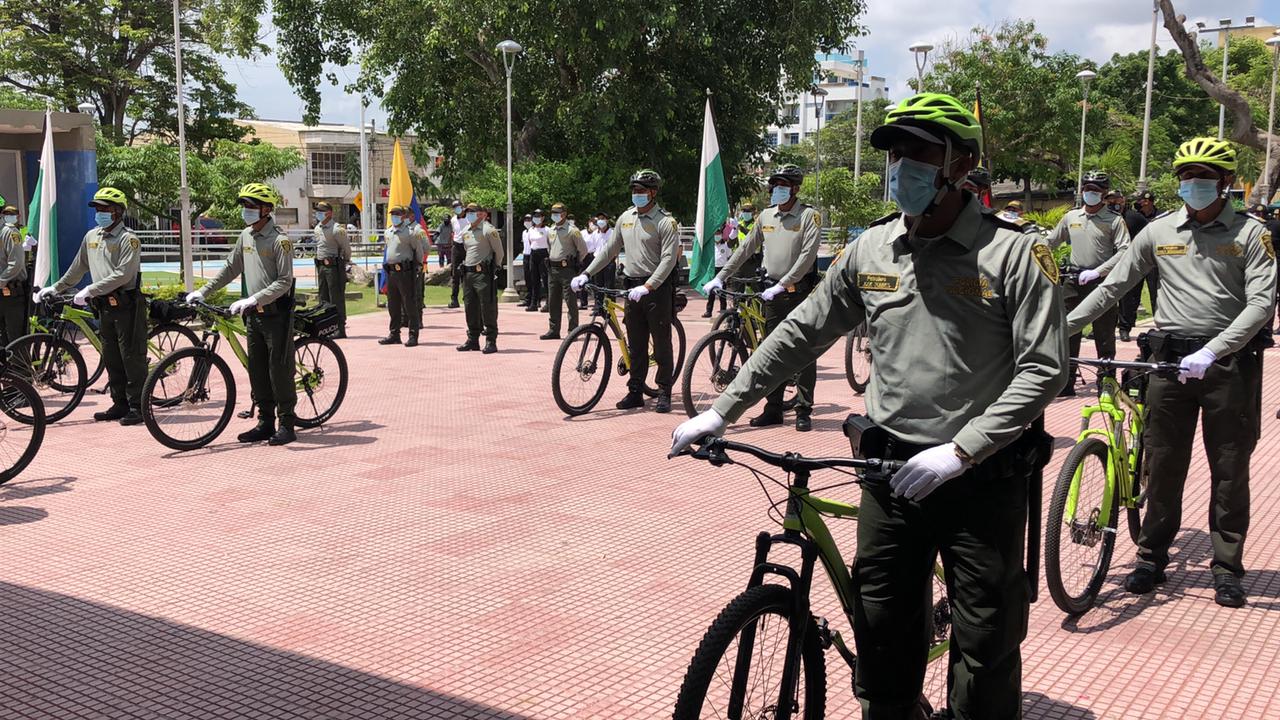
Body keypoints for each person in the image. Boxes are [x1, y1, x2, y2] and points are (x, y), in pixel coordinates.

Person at [674, 93, 1065, 720]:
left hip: (981, 480)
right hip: (888, 478)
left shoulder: (1014, 251)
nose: (900, 166)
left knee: (986, 644)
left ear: (961, 165)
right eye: (894, 154)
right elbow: (804, 330)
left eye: (918, 153)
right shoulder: (872, 250)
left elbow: (1043, 369)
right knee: (880, 630)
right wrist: (725, 408)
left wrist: (962, 450)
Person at [1065, 137, 1275, 608]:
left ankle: (1226, 566)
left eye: (1202, 177)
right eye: (1185, 177)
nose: (1192, 185)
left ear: (1224, 182)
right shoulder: (1158, 231)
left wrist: (1215, 350)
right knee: (1162, 463)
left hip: (1229, 366)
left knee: (1229, 468)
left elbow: (1262, 304)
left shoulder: (1249, 234)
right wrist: (1063, 329)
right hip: (1167, 363)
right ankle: (1151, 556)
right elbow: (1114, 286)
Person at [701, 164, 821, 431]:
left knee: (801, 351)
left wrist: (785, 283)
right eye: (774, 185)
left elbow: (807, 256)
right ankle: (774, 408)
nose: (777, 190)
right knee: (771, 351)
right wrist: (721, 276)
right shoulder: (766, 216)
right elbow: (745, 249)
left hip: (799, 293)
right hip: (771, 293)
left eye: (783, 185)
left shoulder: (808, 216)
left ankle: (803, 409)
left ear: (795, 189)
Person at [185, 183, 298, 445]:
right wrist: (203, 291)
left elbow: (284, 281)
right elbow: (230, 268)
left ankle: (288, 424)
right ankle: (265, 423)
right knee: (257, 370)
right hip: (254, 316)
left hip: (276, 315)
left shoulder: (279, 241)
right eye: (245, 206)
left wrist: (255, 297)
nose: (246, 211)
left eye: (252, 206)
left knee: (278, 371)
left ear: (267, 209)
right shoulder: (246, 236)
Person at [36, 188, 148, 425]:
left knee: (131, 356)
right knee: (111, 356)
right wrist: (55, 287)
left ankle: (138, 405)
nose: (100, 213)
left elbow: (122, 274)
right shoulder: (91, 237)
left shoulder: (129, 239)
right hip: (104, 306)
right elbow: (78, 268)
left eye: (105, 209)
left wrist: (90, 290)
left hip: (127, 305)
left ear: (118, 212)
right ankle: (120, 403)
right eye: (98, 209)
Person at [572, 169, 680, 413]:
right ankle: (635, 391)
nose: (636, 194)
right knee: (636, 342)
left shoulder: (665, 221)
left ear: (653, 193)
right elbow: (609, 250)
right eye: (634, 190)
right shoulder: (625, 218)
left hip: (656, 288)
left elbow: (668, 260)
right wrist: (586, 273)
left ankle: (664, 391)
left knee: (661, 342)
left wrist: (649, 285)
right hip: (631, 286)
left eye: (641, 190)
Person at [1046, 170, 1130, 395]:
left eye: (1095, 190)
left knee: (1103, 334)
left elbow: (1125, 250)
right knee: (1068, 331)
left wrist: (1099, 271)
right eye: (1087, 189)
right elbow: (1051, 242)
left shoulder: (1114, 220)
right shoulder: (1071, 217)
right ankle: (1067, 382)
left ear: (1104, 194)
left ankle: (1106, 381)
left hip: (1100, 283)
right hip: (1073, 281)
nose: (1090, 193)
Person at [457, 204, 504, 354]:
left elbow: (499, 252)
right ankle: (473, 339)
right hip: (468, 274)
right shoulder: (466, 231)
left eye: (472, 212)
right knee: (470, 307)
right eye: (467, 212)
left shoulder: (488, 230)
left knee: (487, 307)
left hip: (484, 274)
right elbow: (467, 250)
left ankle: (491, 340)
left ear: (480, 214)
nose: (469, 215)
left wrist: (493, 267)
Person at [378, 205, 428, 347]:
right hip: (391, 272)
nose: (394, 217)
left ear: (403, 216)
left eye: (397, 214)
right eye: (392, 214)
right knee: (393, 304)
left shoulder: (411, 233)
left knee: (409, 304)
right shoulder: (388, 232)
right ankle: (394, 334)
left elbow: (418, 251)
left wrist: (417, 267)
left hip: (406, 272)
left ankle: (413, 335)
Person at [541, 203, 589, 340]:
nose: (554, 215)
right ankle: (553, 329)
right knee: (553, 301)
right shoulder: (550, 230)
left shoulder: (572, 230)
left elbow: (583, 249)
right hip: (553, 269)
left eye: (557, 212)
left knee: (570, 301)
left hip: (567, 269)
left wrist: (575, 262)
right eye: (553, 212)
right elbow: (549, 248)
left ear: (564, 214)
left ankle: (573, 330)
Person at [1116, 192, 1155, 342]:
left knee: (1155, 294)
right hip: (1131, 262)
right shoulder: (1112, 218)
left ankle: (1162, 326)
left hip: (1150, 262)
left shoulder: (1134, 217)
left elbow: (1151, 234)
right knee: (1129, 297)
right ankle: (1124, 328)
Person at [312, 201, 351, 339]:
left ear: (329, 213)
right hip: (321, 266)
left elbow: (346, 248)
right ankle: (326, 326)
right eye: (317, 211)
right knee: (323, 298)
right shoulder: (317, 228)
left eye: (320, 211)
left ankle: (340, 328)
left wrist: (345, 262)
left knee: (336, 298)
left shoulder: (337, 229)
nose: (318, 214)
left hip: (333, 267)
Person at [0, 204, 27, 346]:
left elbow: (16, 263)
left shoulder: (11, 232)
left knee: (15, 338)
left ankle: (20, 368)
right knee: (3, 338)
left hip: (11, 291)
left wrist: (1, 280)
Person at [582, 213, 615, 309]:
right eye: (599, 219)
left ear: (606, 220)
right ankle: (598, 306)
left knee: (609, 284)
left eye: (602, 219)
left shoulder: (612, 233)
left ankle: (610, 306)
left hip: (609, 261)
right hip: (597, 260)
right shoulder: (595, 234)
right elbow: (592, 248)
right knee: (598, 284)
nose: (600, 221)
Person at [702, 222, 731, 319]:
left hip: (722, 270)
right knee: (711, 292)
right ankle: (708, 311)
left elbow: (729, 258)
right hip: (712, 269)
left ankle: (723, 312)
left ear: (721, 235)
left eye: (718, 234)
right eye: (715, 235)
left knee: (722, 293)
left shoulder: (726, 246)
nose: (717, 236)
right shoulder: (711, 247)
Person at [526, 209, 550, 312]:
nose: (536, 218)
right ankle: (534, 303)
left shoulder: (547, 230)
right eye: (535, 216)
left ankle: (549, 303)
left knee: (545, 279)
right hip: (533, 253)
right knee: (534, 279)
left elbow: (550, 243)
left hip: (543, 254)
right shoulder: (531, 230)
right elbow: (530, 241)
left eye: (539, 216)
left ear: (543, 218)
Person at [448, 200, 469, 309]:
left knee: (467, 273)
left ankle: (468, 298)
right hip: (456, 246)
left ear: (462, 207)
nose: (457, 209)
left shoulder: (469, 218)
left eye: (458, 207)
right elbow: (454, 232)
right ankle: (454, 299)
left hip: (467, 246)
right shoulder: (453, 220)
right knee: (455, 274)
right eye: (454, 207)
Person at [734, 202, 761, 276]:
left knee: (755, 284)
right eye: (744, 211)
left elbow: (753, 236)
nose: (746, 213)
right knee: (737, 282)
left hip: (753, 258)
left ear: (753, 212)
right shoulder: (739, 223)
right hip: (741, 257)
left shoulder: (757, 224)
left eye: (748, 211)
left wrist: (742, 229)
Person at [519, 214, 534, 307]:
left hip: (533, 255)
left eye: (529, 219)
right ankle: (528, 299)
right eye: (526, 219)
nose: (527, 221)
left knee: (534, 278)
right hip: (526, 255)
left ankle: (535, 299)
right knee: (527, 278)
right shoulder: (524, 232)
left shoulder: (534, 231)